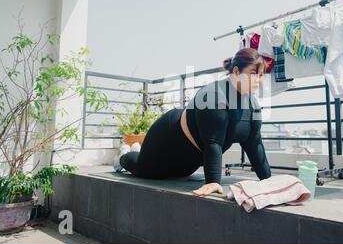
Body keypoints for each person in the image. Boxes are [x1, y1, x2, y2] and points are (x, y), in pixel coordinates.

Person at [115, 48, 272, 197]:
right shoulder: (214, 96)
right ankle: (124, 156)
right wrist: (213, 182)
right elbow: (213, 143)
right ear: (237, 72)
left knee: (180, 174)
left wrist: (268, 180)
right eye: (253, 74)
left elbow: (255, 144)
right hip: (166, 139)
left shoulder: (253, 105)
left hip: (190, 159)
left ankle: (136, 149)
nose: (259, 80)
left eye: (261, 75)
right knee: (146, 171)